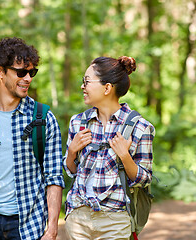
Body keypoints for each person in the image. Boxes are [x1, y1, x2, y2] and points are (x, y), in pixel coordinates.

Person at [0, 37, 65, 240]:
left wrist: (52, 230)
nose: (28, 78)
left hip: (28, 223)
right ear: (0, 71)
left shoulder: (43, 118)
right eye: (21, 72)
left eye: (31, 72)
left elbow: (54, 178)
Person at [63, 56, 155, 240]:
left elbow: (144, 179)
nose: (83, 86)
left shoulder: (139, 127)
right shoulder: (78, 122)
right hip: (78, 217)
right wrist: (72, 152)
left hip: (115, 219)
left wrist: (125, 157)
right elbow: (70, 171)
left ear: (107, 88)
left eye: (87, 81)